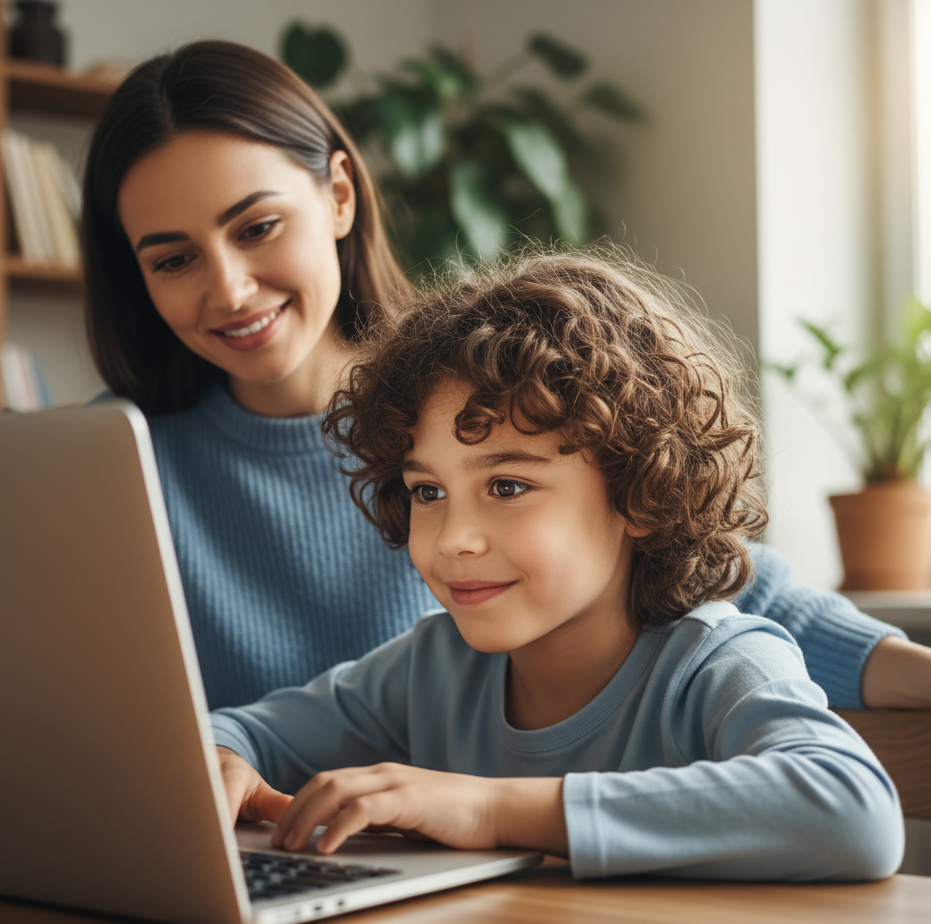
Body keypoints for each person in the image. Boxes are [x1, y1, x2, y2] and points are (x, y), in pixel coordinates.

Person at [82, 39, 931, 713]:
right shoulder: (106, 469)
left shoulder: (472, 401)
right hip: (253, 864)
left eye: (258, 226)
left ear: (338, 195)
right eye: (172, 259)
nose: (228, 288)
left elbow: (714, 572)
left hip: (481, 856)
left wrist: (904, 667)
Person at [211, 250, 903, 880]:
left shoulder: (715, 662)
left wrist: (491, 810)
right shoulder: (429, 668)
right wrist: (221, 764)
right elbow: (237, 732)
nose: (453, 539)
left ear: (640, 493)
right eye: (428, 492)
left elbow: (854, 811)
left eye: (507, 487)